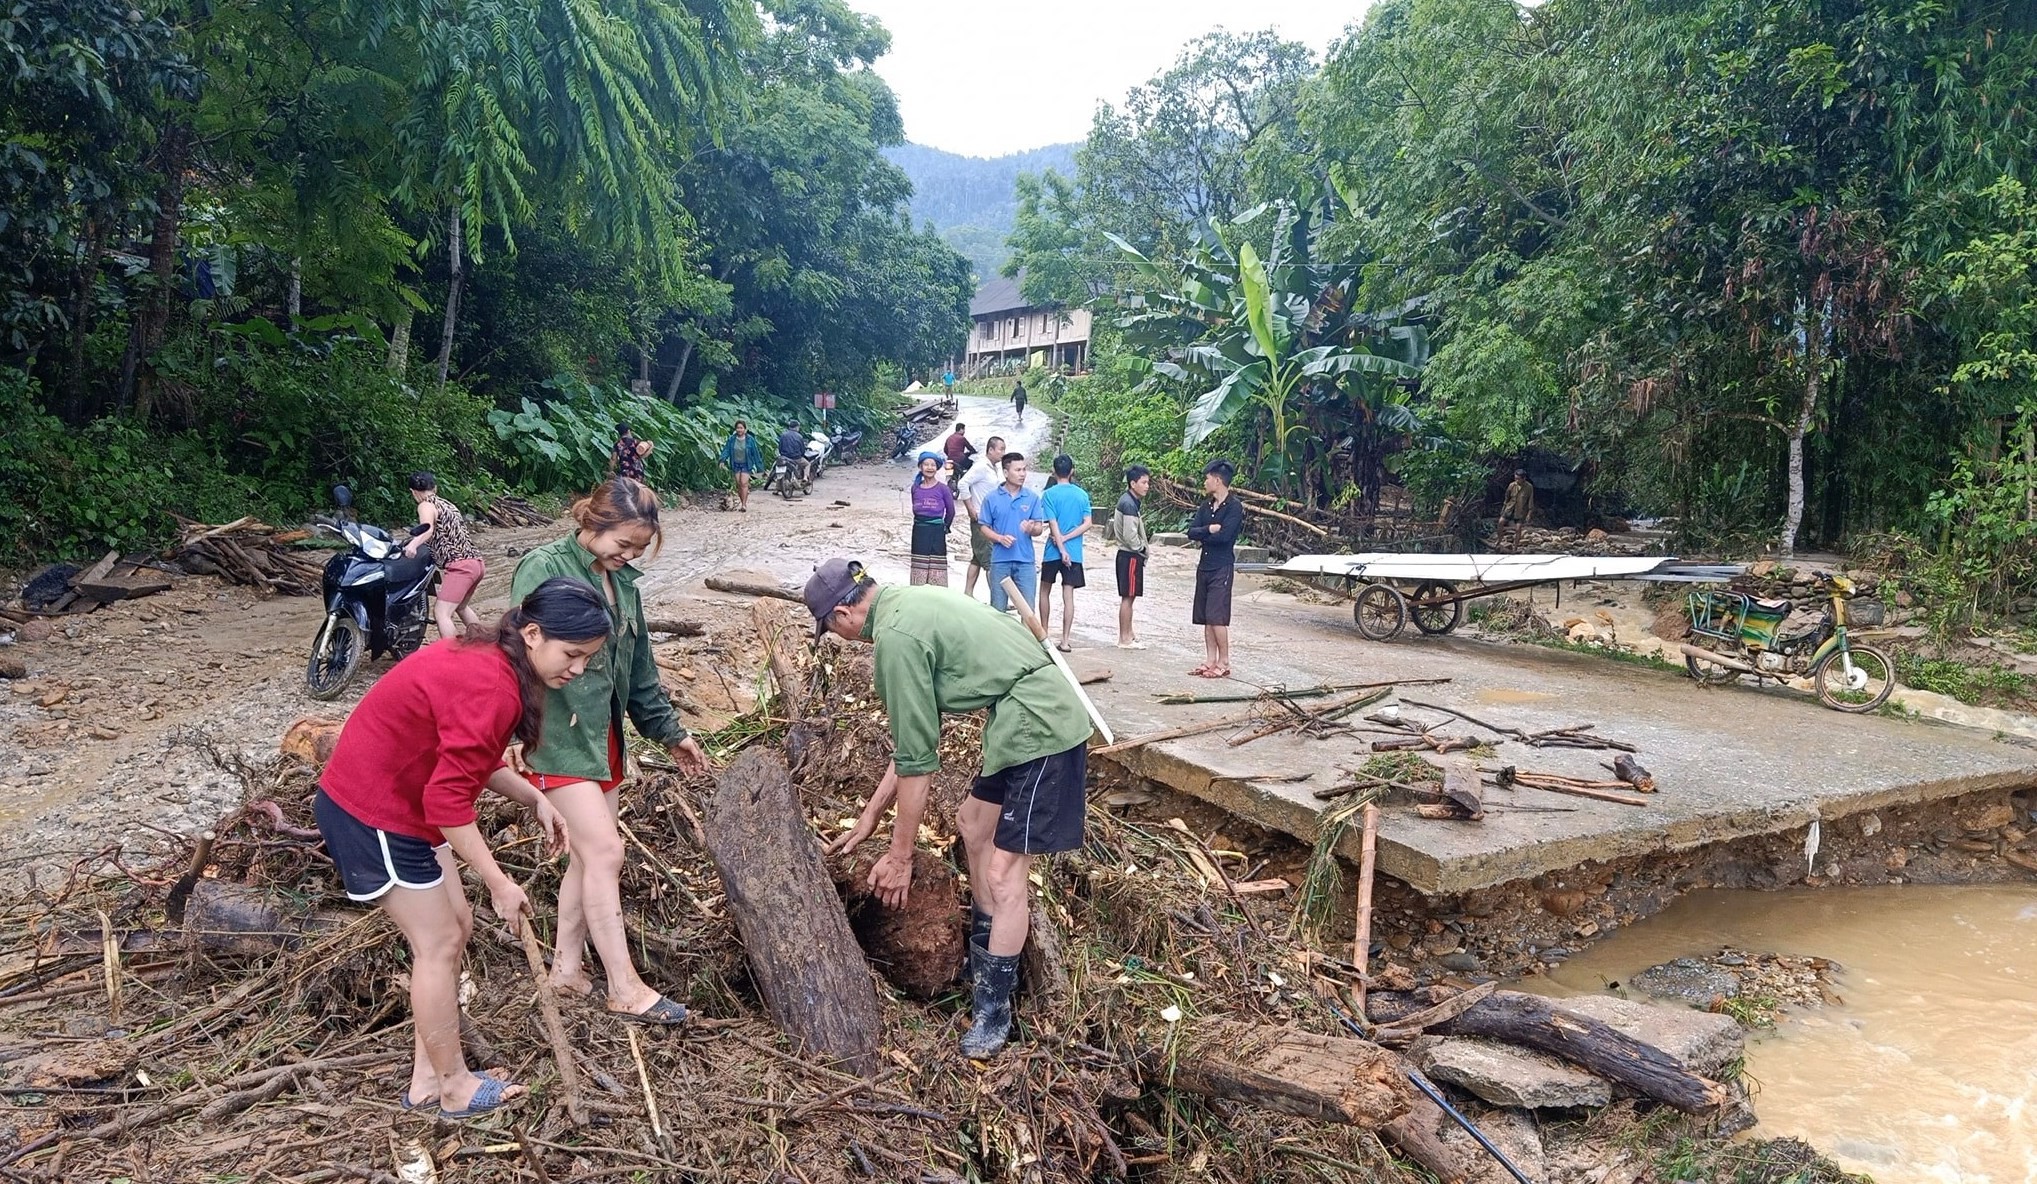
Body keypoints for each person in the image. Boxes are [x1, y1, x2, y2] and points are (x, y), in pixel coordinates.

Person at [315, 577, 605, 1119]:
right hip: (372, 812)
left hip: (403, 806)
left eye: (588, 658)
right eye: (573, 655)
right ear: (535, 633)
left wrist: (534, 799)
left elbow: (469, 758)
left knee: (457, 928)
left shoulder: (499, 657)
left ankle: (430, 1076)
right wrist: (500, 882)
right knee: (439, 942)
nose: (578, 669)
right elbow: (448, 802)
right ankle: (450, 1086)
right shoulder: (492, 683)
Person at [810, 559, 1093, 1059]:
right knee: (972, 824)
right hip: (1017, 719)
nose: (839, 638)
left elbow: (919, 765)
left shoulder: (895, 640)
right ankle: (985, 957)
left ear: (840, 616)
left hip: (1043, 727)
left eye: (831, 631)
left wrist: (900, 858)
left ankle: (993, 1007)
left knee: (1006, 874)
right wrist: (871, 815)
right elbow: (911, 746)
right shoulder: (907, 603)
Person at [510, 478, 710, 1024]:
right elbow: (515, 652)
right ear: (591, 523)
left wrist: (671, 733)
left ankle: (567, 969)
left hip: (604, 740)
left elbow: (639, 672)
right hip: (555, 739)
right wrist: (511, 735)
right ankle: (624, 986)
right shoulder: (543, 565)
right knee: (605, 854)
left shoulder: (627, 588)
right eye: (621, 544)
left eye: (637, 550)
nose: (627, 556)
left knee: (587, 855)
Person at [403, 472, 486, 640]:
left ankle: (451, 654)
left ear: (413, 492)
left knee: (441, 613)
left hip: (460, 566)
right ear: (435, 488)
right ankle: (483, 642)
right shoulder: (448, 505)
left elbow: (428, 528)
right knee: (461, 607)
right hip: (476, 564)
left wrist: (412, 545)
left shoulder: (425, 505)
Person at [1187, 459, 1244, 679]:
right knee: (1205, 616)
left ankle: (1224, 660)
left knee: (1217, 616)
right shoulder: (1206, 506)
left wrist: (1205, 535)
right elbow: (1191, 532)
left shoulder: (1234, 507)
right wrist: (1209, 529)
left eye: (1207, 478)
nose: (1205, 482)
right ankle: (1210, 659)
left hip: (1222, 566)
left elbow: (1225, 537)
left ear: (1218, 480)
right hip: (1205, 565)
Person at [978, 451, 1048, 612]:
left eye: (1024, 470)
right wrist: (1000, 538)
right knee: (998, 610)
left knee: (1028, 610)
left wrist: (1032, 529)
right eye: (1018, 470)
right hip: (1000, 561)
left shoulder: (1032, 498)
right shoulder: (991, 498)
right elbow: (983, 527)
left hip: (1026, 562)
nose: (1022, 474)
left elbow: (1039, 528)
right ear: (1005, 472)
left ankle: (1024, 638)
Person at [1038, 454, 1091, 652]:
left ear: (1053, 472)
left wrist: (1060, 545)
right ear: (1072, 471)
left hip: (1052, 551)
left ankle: (1044, 634)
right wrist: (1068, 541)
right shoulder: (1082, 495)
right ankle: (1066, 640)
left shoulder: (1049, 495)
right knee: (1068, 596)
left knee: (1045, 591)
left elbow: (1052, 524)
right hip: (1074, 552)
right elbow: (1088, 523)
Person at [958, 435, 1006, 599]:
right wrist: (971, 509)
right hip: (981, 518)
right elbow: (962, 484)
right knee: (989, 560)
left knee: (978, 557)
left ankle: (968, 593)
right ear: (991, 449)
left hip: (992, 518)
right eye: (1001, 449)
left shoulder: (994, 467)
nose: (1002, 453)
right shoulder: (980, 466)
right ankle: (997, 598)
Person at [1112, 465, 1152, 649]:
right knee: (1128, 598)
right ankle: (1124, 639)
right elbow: (1129, 535)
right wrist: (1141, 548)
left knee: (1131, 597)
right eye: (1143, 482)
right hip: (1130, 555)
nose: (1147, 486)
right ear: (1133, 483)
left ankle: (1129, 633)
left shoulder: (1131, 501)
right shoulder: (1128, 504)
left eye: (1148, 482)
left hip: (1128, 555)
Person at [907, 449, 957, 586]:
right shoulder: (915, 488)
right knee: (919, 569)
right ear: (920, 467)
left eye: (933, 465)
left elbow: (951, 512)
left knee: (937, 570)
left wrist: (944, 527)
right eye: (926, 464)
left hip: (937, 532)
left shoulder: (943, 489)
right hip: (919, 532)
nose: (930, 468)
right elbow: (916, 511)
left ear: (937, 468)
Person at [720, 420, 762, 512]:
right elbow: (726, 450)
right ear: (735, 429)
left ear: (745, 429)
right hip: (736, 464)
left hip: (746, 464)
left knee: (743, 483)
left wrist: (760, 467)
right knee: (739, 484)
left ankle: (744, 505)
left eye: (741, 428)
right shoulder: (732, 439)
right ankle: (742, 500)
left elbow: (755, 453)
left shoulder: (750, 440)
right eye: (738, 428)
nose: (739, 430)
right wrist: (722, 460)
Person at [1500, 468, 1536, 548]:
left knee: (1518, 528)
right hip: (1510, 508)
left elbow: (1530, 500)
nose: (1516, 480)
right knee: (1501, 522)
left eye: (1518, 479)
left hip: (1520, 510)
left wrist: (1529, 513)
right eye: (1515, 478)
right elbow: (1507, 497)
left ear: (1523, 478)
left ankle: (1515, 547)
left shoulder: (1529, 487)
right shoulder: (1512, 485)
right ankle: (1499, 541)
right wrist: (1504, 506)